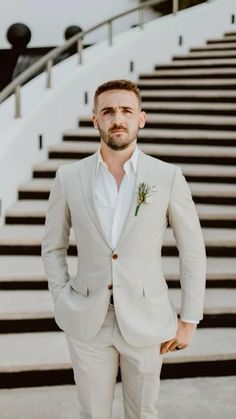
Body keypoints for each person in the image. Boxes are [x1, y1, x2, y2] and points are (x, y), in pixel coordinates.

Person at [41, 79, 207, 419]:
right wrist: (62, 297)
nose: (118, 118)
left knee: (143, 414)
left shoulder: (167, 177)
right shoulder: (68, 177)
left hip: (148, 320)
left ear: (141, 118)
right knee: (93, 414)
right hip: (88, 320)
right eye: (108, 111)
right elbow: (53, 247)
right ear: (96, 120)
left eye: (126, 111)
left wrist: (189, 318)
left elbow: (192, 250)